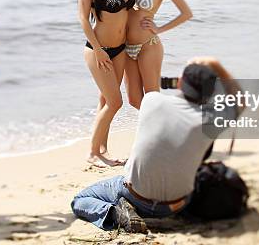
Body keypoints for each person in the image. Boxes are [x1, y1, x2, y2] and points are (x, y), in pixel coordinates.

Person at [71, 57, 243, 233]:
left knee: (81, 199)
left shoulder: (152, 101)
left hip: (137, 196)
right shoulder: (210, 120)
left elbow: (137, 94)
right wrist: (216, 65)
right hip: (178, 204)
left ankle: (115, 214)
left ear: (180, 82)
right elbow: (240, 101)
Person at [78, 0, 135, 168]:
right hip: (98, 50)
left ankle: (102, 149)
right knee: (115, 102)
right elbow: (82, 18)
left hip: (120, 50)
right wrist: (100, 50)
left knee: (106, 100)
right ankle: (92, 153)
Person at [123, 0, 192, 109]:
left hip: (149, 46)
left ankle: (159, 132)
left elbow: (186, 13)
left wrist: (159, 29)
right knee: (134, 100)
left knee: (152, 98)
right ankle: (157, 126)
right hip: (126, 46)